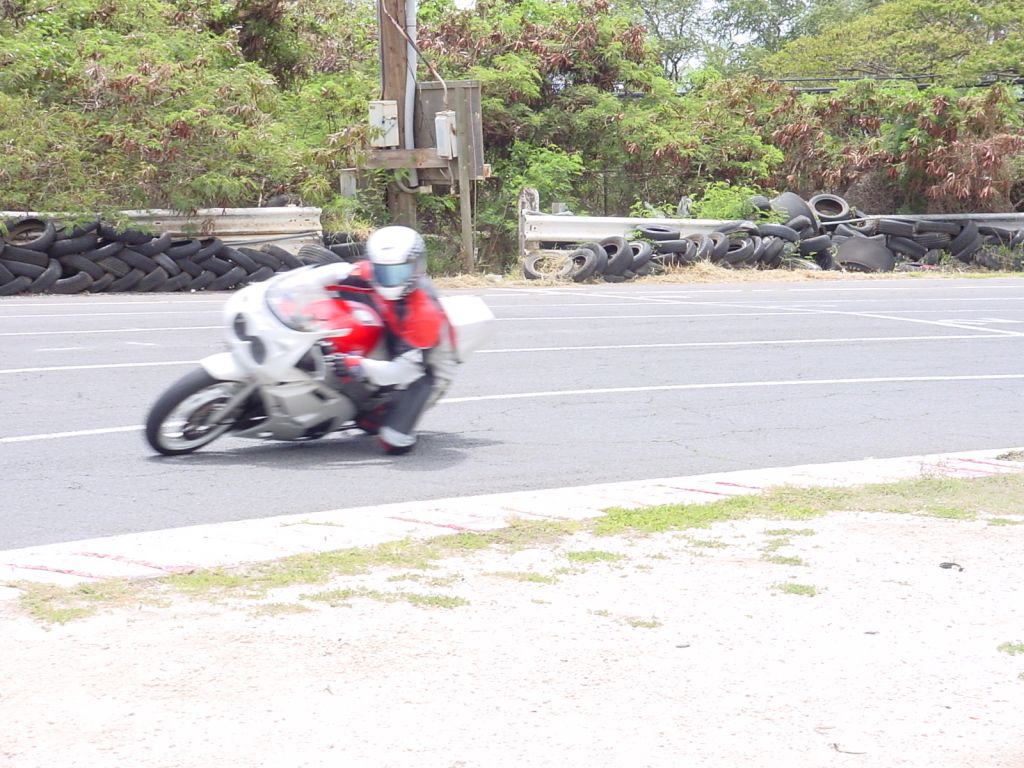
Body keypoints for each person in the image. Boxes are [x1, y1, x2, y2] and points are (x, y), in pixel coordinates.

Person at [324, 225, 457, 455]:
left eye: (399, 272)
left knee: (393, 440)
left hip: (427, 362)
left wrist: (356, 365)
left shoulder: (425, 311)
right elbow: (329, 276)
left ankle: (394, 423)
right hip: (394, 324)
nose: (390, 280)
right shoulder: (368, 272)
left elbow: (404, 371)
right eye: (383, 271)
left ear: (416, 266)